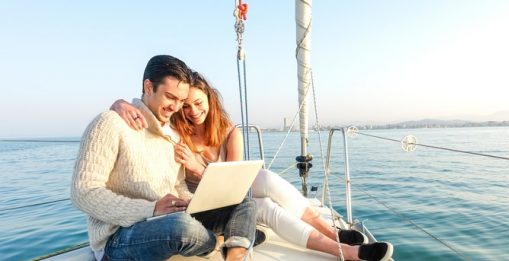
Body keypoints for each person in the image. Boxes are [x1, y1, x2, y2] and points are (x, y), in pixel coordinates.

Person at [112, 72, 394, 261]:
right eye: (185, 106)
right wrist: (119, 103)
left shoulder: (228, 132)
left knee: (267, 180)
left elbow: (231, 184)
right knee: (266, 208)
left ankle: (334, 233)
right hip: (197, 203)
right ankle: (345, 251)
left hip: (227, 199)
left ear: (210, 98)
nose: (192, 111)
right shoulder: (175, 130)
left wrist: (200, 167)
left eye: (198, 103)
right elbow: (148, 110)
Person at [71, 55, 257, 261]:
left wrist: (191, 203)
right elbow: (83, 193)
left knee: (243, 204)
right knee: (182, 228)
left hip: (168, 221)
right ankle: (217, 242)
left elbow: (178, 186)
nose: (176, 107)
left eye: (181, 101)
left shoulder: (172, 135)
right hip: (119, 237)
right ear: (148, 87)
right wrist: (151, 209)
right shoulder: (110, 123)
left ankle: (235, 255)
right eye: (170, 97)